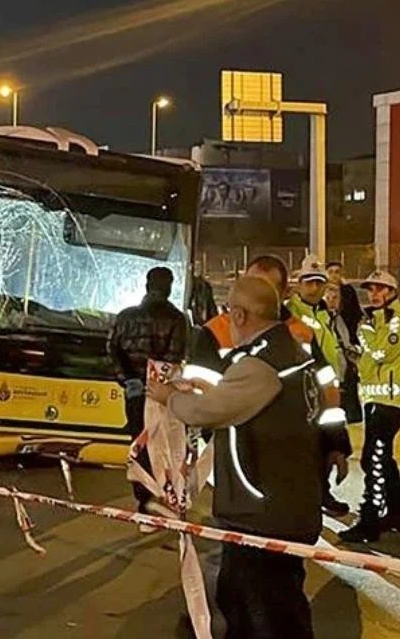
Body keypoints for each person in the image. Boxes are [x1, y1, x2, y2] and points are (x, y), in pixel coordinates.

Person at [148, 276, 325, 639]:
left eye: (229, 312)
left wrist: (168, 396)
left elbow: (206, 412)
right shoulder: (292, 353)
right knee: (258, 606)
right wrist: (208, 391)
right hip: (285, 505)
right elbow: (246, 404)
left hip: (261, 513)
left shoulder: (261, 363)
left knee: (267, 615)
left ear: (240, 314)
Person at [200, 255, 351, 518]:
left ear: (283, 294)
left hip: (294, 464)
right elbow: (197, 394)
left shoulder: (302, 333)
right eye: (251, 284)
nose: (255, 295)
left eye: (265, 289)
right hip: (239, 463)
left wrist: (335, 443)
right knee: (242, 543)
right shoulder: (213, 332)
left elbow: (326, 392)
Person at [106, 266, 188, 529]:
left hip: (134, 393)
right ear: (170, 287)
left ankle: (144, 503)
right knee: (165, 446)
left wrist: (128, 379)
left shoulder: (126, 317)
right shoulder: (176, 318)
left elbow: (112, 349)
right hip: (162, 392)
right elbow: (176, 356)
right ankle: (166, 500)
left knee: (139, 445)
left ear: (146, 285)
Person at [340, 270, 400, 543]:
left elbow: (381, 354)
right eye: (371, 289)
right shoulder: (376, 319)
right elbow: (370, 361)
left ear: (393, 292)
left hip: (390, 401)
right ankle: (397, 514)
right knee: (382, 456)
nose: (374, 294)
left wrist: (365, 339)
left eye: (380, 289)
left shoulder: (397, 320)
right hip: (376, 399)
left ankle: (370, 519)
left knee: (373, 458)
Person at [326, 261, 363, 424]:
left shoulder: (348, 293)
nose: (334, 274)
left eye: (337, 271)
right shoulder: (321, 317)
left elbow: (355, 314)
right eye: (331, 271)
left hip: (344, 355)